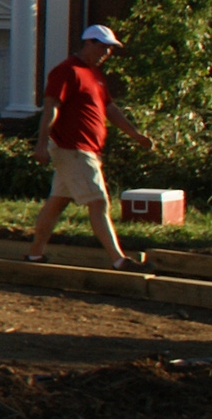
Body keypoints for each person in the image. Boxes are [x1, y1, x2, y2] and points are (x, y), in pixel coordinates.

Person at [27, 24, 156, 268]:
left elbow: (109, 109)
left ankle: (35, 254)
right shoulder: (66, 71)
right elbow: (51, 107)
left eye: (109, 49)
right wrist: (41, 144)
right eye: (103, 47)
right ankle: (119, 260)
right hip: (73, 149)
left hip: (85, 150)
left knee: (57, 203)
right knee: (98, 202)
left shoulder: (95, 75)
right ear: (88, 42)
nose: (106, 53)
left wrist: (136, 135)